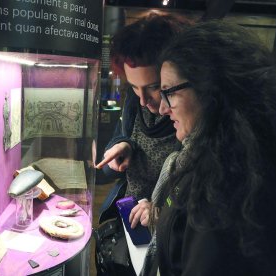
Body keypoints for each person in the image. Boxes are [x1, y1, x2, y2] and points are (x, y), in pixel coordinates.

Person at [150, 20, 276, 275]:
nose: (162, 108)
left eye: (169, 92)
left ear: (210, 88)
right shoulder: (245, 155)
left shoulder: (224, 185)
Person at [94, 12, 192, 275]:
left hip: (162, 236)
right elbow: (107, 171)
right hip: (125, 216)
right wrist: (123, 146)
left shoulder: (188, 117)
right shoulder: (135, 104)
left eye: (155, 87)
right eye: (134, 89)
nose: (144, 101)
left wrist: (160, 210)